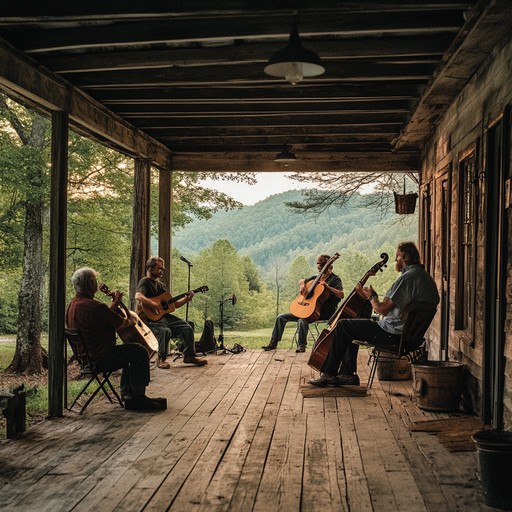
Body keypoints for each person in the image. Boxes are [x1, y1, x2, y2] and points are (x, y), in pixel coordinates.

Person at [309, 241, 439, 387]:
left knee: (344, 325)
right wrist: (374, 297)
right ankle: (346, 374)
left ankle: (329, 374)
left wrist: (371, 297)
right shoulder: (427, 279)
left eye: (397, 256)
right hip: (411, 337)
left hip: (393, 334)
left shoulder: (407, 279)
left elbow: (382, 310)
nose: (396, 260)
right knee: (354, 327)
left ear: (405, 257)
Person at [66, 267, 166, 411]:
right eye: (95, 281)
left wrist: (114, 305)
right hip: (101, 357)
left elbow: (102, 316)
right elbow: (123, 323)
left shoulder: (73, 305)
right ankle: (138, 397)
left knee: (128, 350)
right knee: (139, 350)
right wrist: (127, 314)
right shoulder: (95, 306)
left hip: (86, 359)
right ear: (90, 284)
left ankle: (127, 393)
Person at [262, 254, 344, 353]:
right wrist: (301, 285)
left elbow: (341, 294)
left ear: (328, 268)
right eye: (318, 269)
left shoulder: (335, 279)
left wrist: (328, 287)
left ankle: (302, 345)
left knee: (302, 320)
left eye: (321, 269)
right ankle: (273, 343)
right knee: (281, 317)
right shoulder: (316, 278)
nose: (319, 272)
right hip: (305, 309)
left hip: (321, 312)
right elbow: (302, 280)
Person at [135, 256, 207, 368]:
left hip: (164, 317)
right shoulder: (145, 282)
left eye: (162, 268)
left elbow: (173, 305)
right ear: (151, 268)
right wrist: (154, 304)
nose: (161, 270)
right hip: (149, 320)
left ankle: (189, 356)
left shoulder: (161, 286)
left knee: (187, 327)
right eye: (159, 268)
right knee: (165, 331)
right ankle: (161, 359)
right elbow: (138, 296)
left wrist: (186, 299)